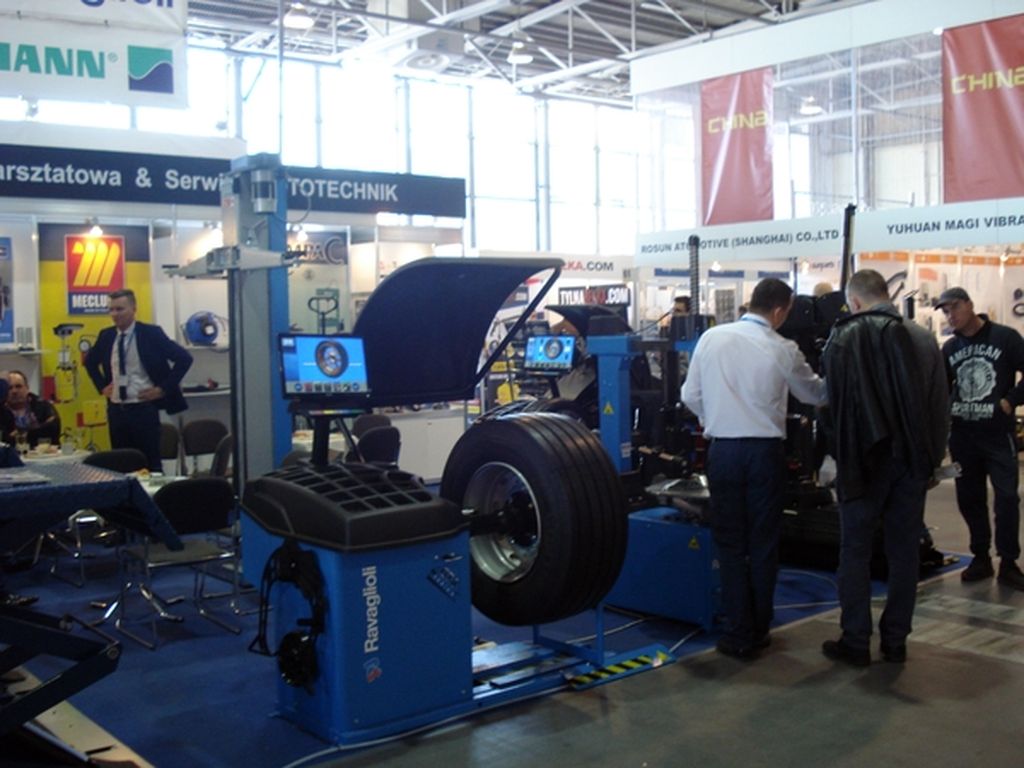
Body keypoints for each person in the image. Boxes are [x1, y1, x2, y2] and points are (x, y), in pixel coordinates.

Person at [682, 277, 827, 660]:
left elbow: (689, 395)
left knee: (730, 544)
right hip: (764, 453)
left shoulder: (712, 338)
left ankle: (737, 631)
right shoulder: (783, 348)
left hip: (723, 451)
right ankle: (758, 630)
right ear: (779, 310)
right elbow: (814, 394)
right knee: (763, 543)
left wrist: (716, 417)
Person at [820, 269, 948, 667]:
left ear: (855, 301)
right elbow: (938, 405)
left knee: (855, 550)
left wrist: (830, 459)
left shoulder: (843, 337)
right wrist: (931, 460)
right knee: (904, 552)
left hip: (862, 462)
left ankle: (856, 640)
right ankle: (896, 642)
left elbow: (831, 407)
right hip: (910, 461)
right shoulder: (923, 338)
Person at [936, 286, 1024, 590]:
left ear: (970, 304)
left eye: (954, 307)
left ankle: (1008, 561)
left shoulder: (1005, 338)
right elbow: (941, 388)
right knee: (970, 498)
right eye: (945, 311)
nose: (950, 315)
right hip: (963, 436)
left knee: (1007, 498)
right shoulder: (950, 348)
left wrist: (1011, 400)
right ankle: (981, 556)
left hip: (998, 434)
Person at [84, 288, 193, 472]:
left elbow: (184, 359)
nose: (115, 314)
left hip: (143, 408)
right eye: (111, 310)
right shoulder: (107, 335)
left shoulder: (151, 333)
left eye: (120, 309)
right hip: (117, 410)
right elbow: (90, 363)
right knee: (121, 464)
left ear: (134, 309)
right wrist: (102, 387)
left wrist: (162, 389)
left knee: (150, 463)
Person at [0, 370, 61, 449]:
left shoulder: (42, 405)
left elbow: (52, 429)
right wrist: (35, 431)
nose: (14, 391)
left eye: (18, 386)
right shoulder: (2, 412)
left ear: (27, 388)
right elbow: (4, 440)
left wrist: (20, 434)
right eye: (10, 388)